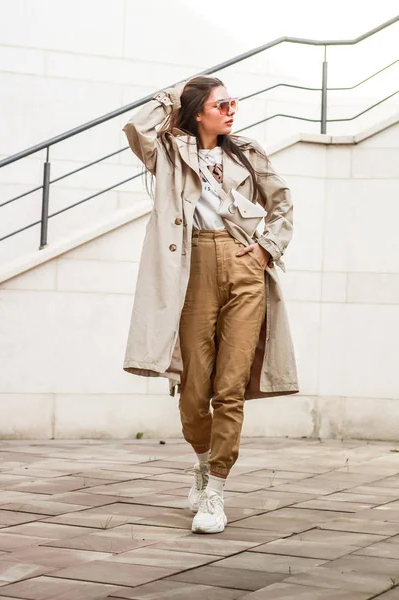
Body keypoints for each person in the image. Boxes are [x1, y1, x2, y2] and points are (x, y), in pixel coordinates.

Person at [122, 75, 299, 534]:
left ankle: (216, 493)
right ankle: (202, 463)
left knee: (230, 388)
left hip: (244, 266)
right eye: (222, 103)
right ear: (198, 111)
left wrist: (267, 250)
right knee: (195, 391)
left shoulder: (248, 152)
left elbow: (283, 203)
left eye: (234, 102)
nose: (232, 109)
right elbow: (137, 128)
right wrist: (174, 92)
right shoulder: (168, 153)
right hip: (192, 266)